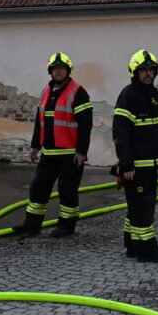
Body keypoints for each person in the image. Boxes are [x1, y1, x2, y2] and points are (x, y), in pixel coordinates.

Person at [12, 52, 93, 238]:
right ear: (50, 71)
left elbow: (85, 125)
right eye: (55, 68)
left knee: (67, 191)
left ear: (68, 70)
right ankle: (31, 224)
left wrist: (81, 152)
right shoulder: (46, 91)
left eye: (62, 68)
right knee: (38, 189)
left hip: (70, 154)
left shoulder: (78, 92)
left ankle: (66, 226)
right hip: (49, 153)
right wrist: (35, 146)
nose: (58, 71)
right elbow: (39, 121)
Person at [113, 49, 158, 263]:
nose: (148, 73)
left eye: (151, 69)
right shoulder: (128, 95)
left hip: (150, 164)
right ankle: (147, 251)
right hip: (136, 166)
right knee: (143, 207)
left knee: (137, 206)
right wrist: (127, 164)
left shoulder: (155, 95)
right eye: (143, 70)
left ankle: (132, 245)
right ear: (135, 72)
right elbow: (120, 134)